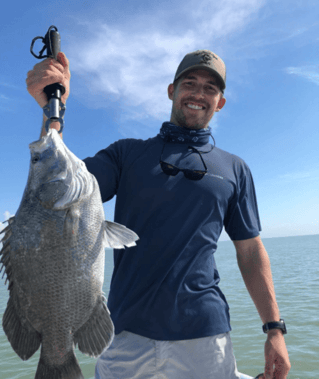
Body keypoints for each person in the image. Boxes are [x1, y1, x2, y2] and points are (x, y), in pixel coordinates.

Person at [26, 49, 291, 379]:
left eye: (210, 88)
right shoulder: (127, 154)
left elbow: (250, 252)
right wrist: (53, 109)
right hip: (123, 335)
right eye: (189, 83)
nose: (198, 94)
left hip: (204, 335)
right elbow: (54, 190)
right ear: (172, 90)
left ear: (220, 102)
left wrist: (274, 330)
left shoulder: (234, 169)